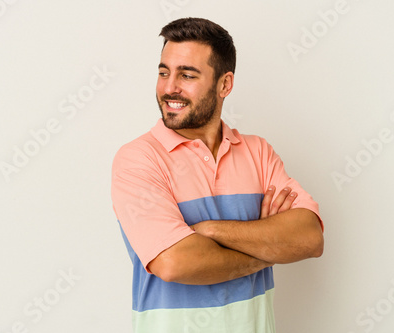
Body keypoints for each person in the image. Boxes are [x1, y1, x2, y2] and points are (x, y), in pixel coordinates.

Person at [111, 17, 324, 333]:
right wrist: (266, 251)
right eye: (163, 72)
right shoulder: (138, 160)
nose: (169, 87)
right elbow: (174, 262)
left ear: (225, 84)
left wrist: (211, 230)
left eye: (187, 75)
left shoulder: (258, 153)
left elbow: (309, 239)